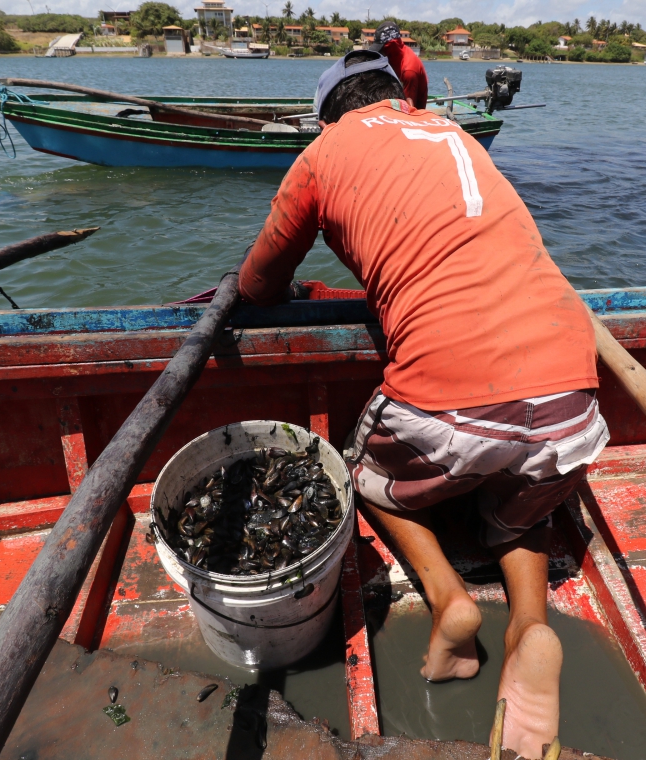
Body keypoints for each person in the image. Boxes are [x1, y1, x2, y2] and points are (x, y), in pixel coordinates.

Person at [239, 50, 609, 760]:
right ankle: (530, 624)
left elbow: (260, 285)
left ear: (326, 117)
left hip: (453, 407)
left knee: (361, 473)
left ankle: (449, 599)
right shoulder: (456, 132)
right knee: (521, 504)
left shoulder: (321, 154)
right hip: (572, 395)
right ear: (400, 99)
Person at [369, 20, 427, 109]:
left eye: (382, 49)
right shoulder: (393, 57)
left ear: (391, 47)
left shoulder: (409, 70)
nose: (380, 53)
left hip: (410, 114)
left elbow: (409, 108)